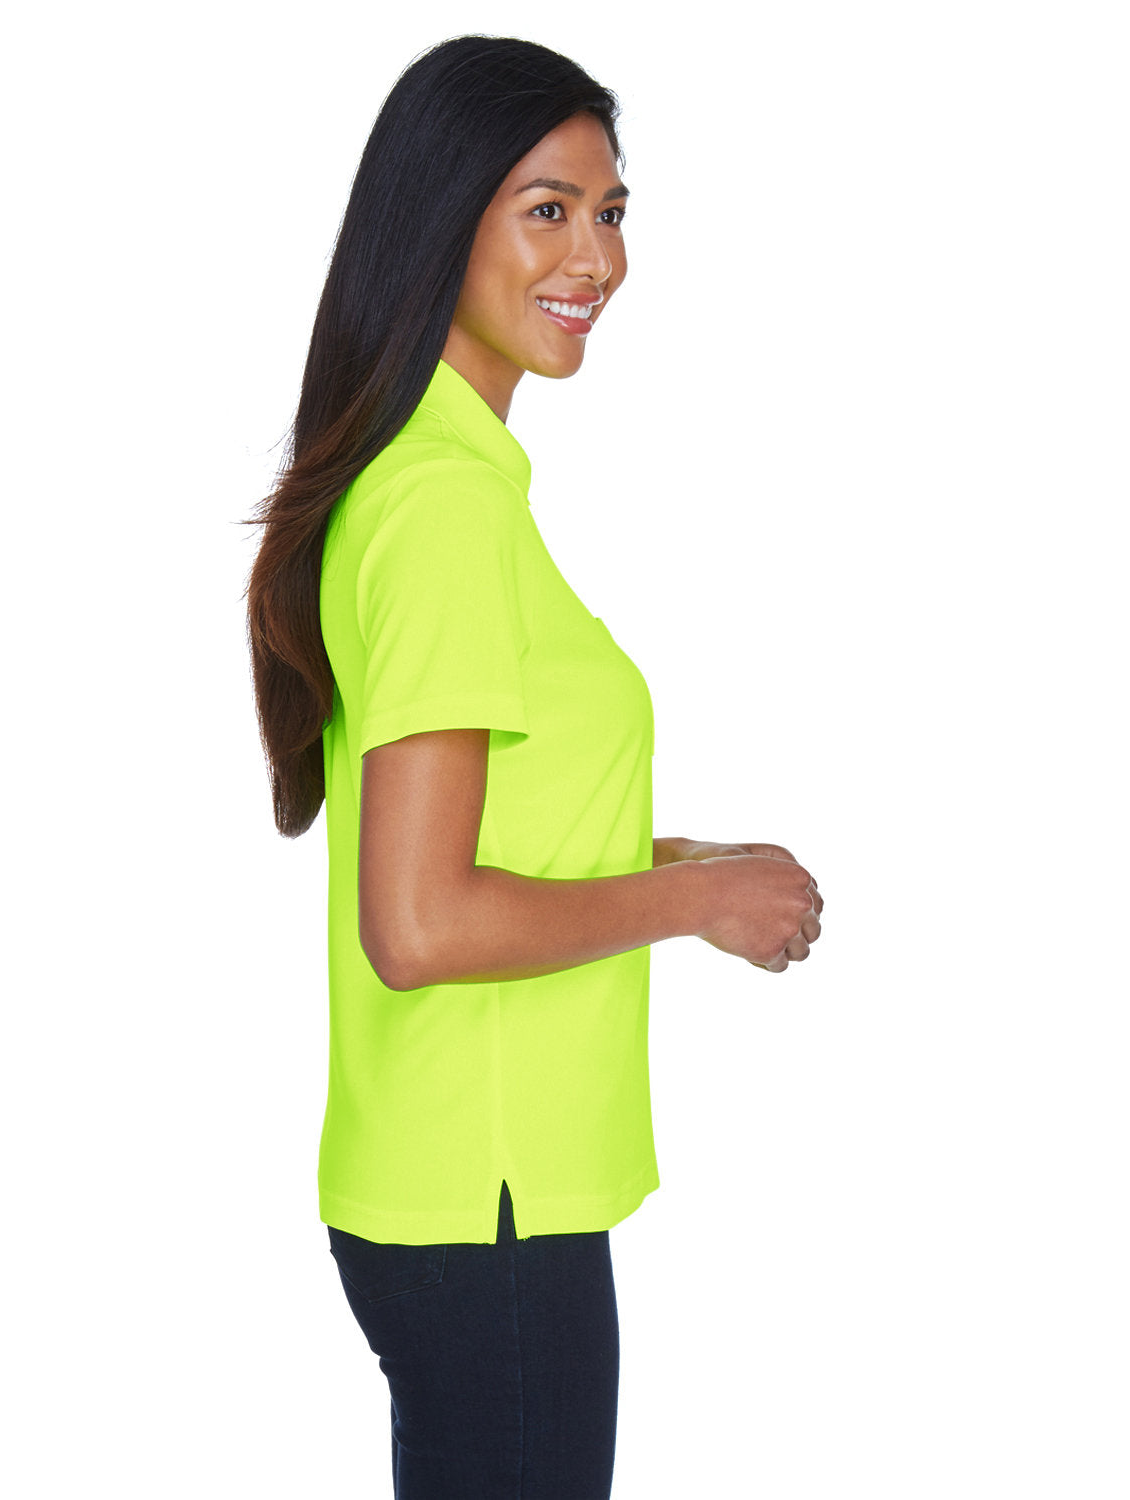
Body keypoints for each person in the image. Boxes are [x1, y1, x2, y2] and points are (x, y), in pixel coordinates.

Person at [247, 35, 823, 1500]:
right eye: (548, 209)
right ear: (441, 219)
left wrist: (680, 860)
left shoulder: (435, 481)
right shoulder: (441, 507)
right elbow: (420, 921)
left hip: (468, 1189)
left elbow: (480, 839)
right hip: (485, 1203)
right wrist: (693, 904)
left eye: (611, 211)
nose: (596, 257)